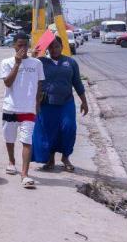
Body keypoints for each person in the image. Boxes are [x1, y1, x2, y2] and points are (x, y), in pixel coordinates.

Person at [33, 36, 89, 171]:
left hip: (66, 102)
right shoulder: (40, 62)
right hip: (47, 103)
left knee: (69, 128)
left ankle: (65, 157)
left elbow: (77, 83)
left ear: (62, 47)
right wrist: (32, 57)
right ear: (47, 48)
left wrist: (84, 102)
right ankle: (50, 159)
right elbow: (27, 73)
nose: (54, 49)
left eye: (57, 46)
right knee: (49, 131)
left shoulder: (70, 62)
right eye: (51, 47)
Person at [0, 32, 44, 188]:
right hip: (10, 107)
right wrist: (17, 64)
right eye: (19, 45)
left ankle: (25, 175)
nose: (23, 48)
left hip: (28, 109)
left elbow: (39, 85)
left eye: (25, 45)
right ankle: (11, 161)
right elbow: (8, 83)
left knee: (27, 141)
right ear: (13, 46)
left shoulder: (36, 63)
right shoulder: (6, 62)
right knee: (9, 139)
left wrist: (37, 103)